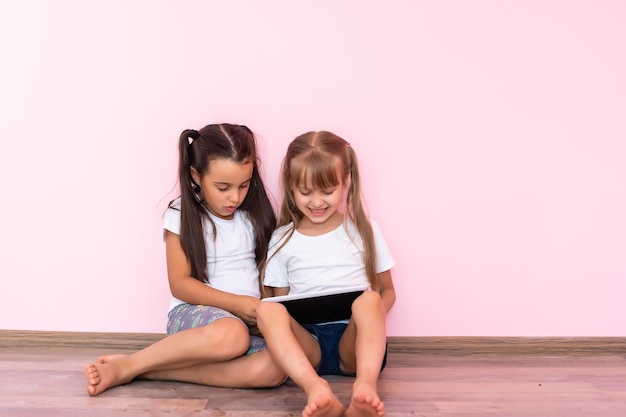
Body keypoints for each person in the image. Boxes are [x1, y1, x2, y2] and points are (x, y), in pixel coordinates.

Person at [83, 123, 286, 396]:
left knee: (275, 367)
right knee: (231, 335)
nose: (235, 197)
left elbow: (266, 273)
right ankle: (127, 366)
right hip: (195, 315)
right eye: (223, 187)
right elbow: (180, 284)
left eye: (244, 185)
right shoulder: (180, 214)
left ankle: (143, 368)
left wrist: (265, 312)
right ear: (196, 175)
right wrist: (237, 305)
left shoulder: (255, 216)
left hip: (246, 320)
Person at [256, 131, 396, 417]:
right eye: (305, 192)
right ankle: (315, 388)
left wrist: (372, 316)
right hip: (309, 346)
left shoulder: (365, 230)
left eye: (327, 191)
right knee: (266, 311)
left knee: (370, 300)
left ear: (346, 182)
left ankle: (365, 388)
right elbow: (282, 306)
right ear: (291, 186)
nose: (317, 202)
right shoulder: (282, 239)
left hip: (354, 346)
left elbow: (388, 291)